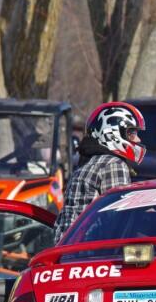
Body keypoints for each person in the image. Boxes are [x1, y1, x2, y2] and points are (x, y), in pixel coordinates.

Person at [53, 101, 145, 243]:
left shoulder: (86, 163)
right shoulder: (113, 164)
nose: (138, 139)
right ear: (112, 133)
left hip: (67, 248)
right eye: (132, 133)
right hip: (89, 251)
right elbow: (119, 218)